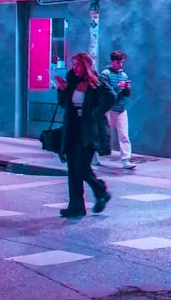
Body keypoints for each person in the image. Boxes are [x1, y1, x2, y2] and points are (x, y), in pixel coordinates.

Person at [55, 52, 116, 218]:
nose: (74, 68)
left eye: (77, 65)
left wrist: (94, 114)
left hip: (89, 130)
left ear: (85, 65)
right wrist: (62, 89)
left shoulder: (96, 81)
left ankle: (101, 191)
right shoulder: (72, 80)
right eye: (73, 64)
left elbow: (111, 97)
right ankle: (76, 206)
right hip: (73, 129)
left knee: (82, 166)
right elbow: (64, 104)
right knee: (73, 168)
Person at [102, 50, 136, 170]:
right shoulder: (105, 74)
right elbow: (105, 92)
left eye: (121, 62)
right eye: (118, 62)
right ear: (112, 61)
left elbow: (127, 94)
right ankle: (93, 156)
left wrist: (126, 88)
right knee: (104, 133)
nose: (120, 65)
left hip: (121, 109)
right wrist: (118, 86)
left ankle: (126, 159)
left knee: (124, 135)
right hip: (109, 109)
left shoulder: (123, 75)